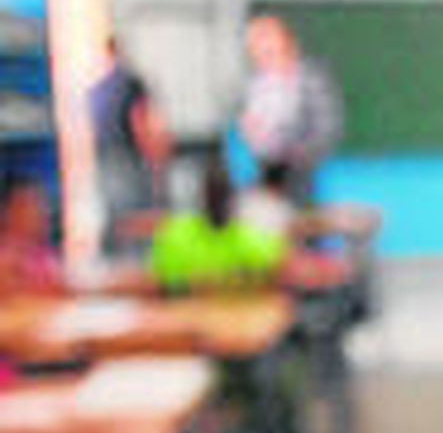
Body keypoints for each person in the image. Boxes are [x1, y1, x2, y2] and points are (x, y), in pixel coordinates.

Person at [240, 15, 344, 206]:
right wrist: (251, 133)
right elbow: (253, 133)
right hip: (264, 174)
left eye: (268, 45)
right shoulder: (255, 84)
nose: (261, 53)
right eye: (255, 47)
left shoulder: (312, 79)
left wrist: (294, 155)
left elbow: (328, 129)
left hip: (300, 175)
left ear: (288, 45)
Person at [149, 156, 287, 291]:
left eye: (223, 195)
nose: (219, 203)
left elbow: (283, 270)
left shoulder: (253, 239)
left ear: (233, 199)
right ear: (203, 197)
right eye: (213, 195)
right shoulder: (176, 237)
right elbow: (157, 283)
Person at [83, 38, 170, 240]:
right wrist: (155, 158)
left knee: (117, 219)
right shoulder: (131, 83)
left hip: (104, 161)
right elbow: (139, 120)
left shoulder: (96, 90)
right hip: (128, 159)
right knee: (140, 218)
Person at [0, 178, 63, 294]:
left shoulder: (44, 253)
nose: (39, 210)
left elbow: (59, 283)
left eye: (41, 204)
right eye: (28, 204)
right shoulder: (5, 253)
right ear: (8, 212)